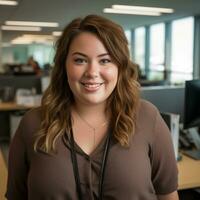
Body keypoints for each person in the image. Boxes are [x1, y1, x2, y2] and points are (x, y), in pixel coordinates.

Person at [6, 15, 179, 200]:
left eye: (105, 60)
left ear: (119, 66)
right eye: (80, 60)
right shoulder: (32, 124)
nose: (92, 73)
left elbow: (167, 195)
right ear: (64, 66)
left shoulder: (147, 118)